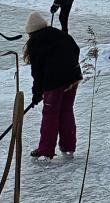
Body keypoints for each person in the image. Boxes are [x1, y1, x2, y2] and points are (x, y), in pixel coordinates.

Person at [24, 12, 82, 161]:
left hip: (55, 82)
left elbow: (37, 72)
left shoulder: (36, 42)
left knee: (50, 115)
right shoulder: (60, 34)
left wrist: (37, 92)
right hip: (73, 78)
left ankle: (45, 150)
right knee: (66, 111)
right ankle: (68, 147)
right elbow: (76, 49)